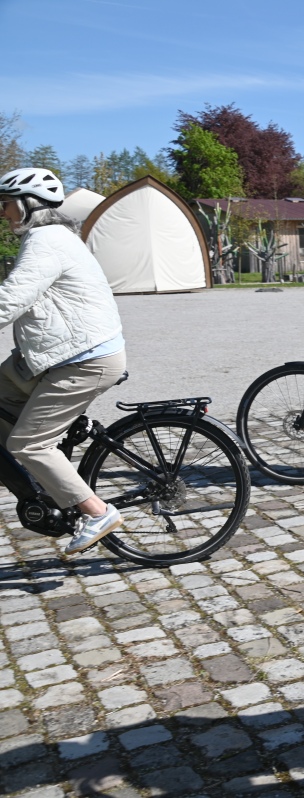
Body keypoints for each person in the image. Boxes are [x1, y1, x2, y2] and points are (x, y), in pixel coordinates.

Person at [0, 168, 127, 555]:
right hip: (58, 353)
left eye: (5, 204)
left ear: (29, 204)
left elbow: (11, 298)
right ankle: (41, 484)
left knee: (28, 444)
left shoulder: (47, 240)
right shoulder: (50, 237)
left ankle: (97, 512)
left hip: (82, 360)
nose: (2, 212)